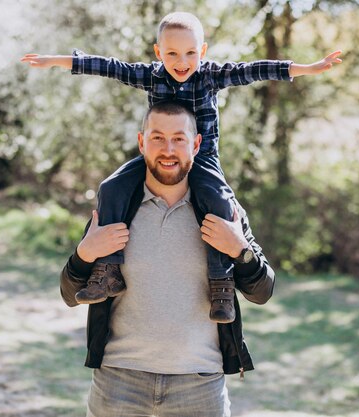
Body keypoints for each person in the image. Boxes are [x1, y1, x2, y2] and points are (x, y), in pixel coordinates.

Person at [25, 12, 341, 323]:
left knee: (217, 202)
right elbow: (110, 67)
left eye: (190, 53)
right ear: (158, 52)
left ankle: (220, 284)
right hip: (155, 156)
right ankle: (107, 270)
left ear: (202, 52)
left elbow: (255, 70)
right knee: (111, 187)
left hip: (202, 159)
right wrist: (55, 60)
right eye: (172, 53)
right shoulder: (150, 75)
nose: (181, 61)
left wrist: (307, 68)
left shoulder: (210, 75)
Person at [60, 101, 276, 417]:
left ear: (197, 144)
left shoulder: (223, 212)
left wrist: (239, 250)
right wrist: (84, 254)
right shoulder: (117, 209)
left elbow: (263, 291)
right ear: (141, 142)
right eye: (157, 137)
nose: (168, 149)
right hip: (119, 381)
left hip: (199, 386)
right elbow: (69, 294)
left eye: (179, 138)